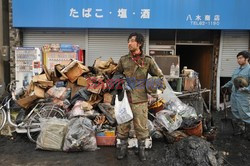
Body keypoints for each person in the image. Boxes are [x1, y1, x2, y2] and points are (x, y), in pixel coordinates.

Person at [115, 32, 166, 160]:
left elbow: (160, 77)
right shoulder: (123, 60)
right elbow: (116, 74)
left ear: (140, 43)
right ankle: (123, 149)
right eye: (128, 41)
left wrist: (155, 91)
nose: (129, 43)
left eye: (132, 41)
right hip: (125, 98)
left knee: (141, 126)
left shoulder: (147, 60)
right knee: (123, 124)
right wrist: (120, 82)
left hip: (141, 99)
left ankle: (141, 149)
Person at [221, 51, 250, 139]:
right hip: (234, 95)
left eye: (240, 58)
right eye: (237, 58)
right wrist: (225, 86)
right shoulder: (236, 70)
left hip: (243, 96)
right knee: (235, 113)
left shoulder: (249, 70)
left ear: (247, 59)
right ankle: (240, 130)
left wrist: (246, 89)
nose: (238, 60)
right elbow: (232, 81)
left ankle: (248, 133)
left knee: (245, 114)